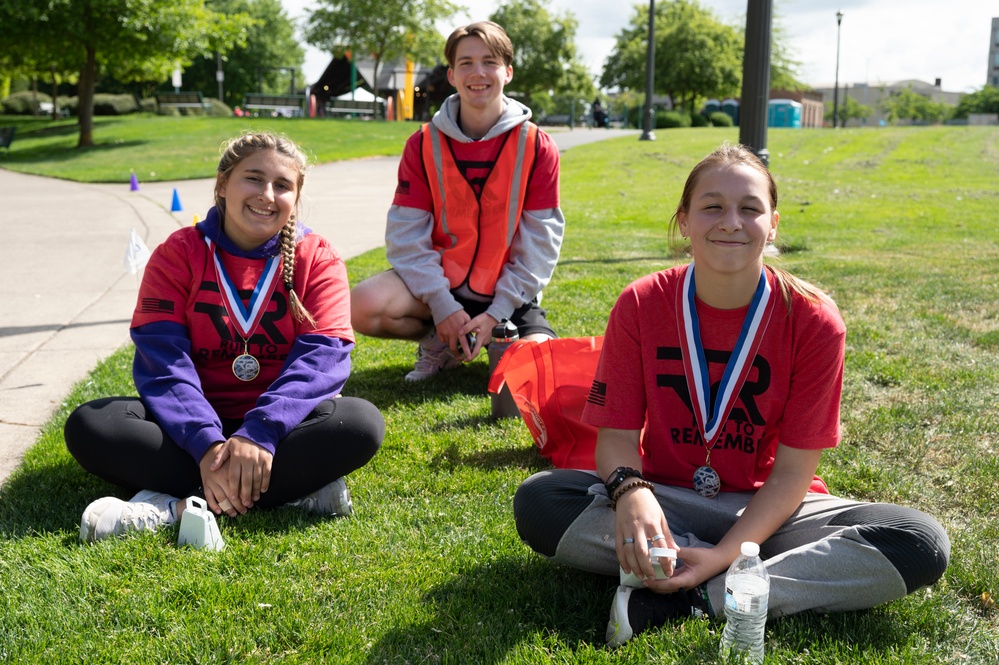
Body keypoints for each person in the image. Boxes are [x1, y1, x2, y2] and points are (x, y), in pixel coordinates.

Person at [513, 143, 950, 646]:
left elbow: (792, 474)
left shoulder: (813, 320)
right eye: (713, 206)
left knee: (919, 541)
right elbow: (615, 438)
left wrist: (726, 554)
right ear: (684, 221)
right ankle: (737, 581)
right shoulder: (641, 302)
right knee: (541, 499)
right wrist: (631, 492)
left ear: (774, 223)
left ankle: (692, 595)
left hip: (772, 511)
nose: (731, 222)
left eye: (750, 208)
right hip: (666, 501)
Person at [65, 131, 385, 542]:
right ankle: (288, 492)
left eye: (282, 186)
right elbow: (163, 360)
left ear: (296, 195)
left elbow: (324, 357)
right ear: (222, 184)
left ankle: (171, 507)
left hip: (281, 429)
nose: (266, 195)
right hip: (189, 429)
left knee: (360, 424)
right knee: (92, 424)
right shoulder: (177, 253)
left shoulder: (317, 257)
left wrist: (260, 433)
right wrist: (207, 444)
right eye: (253, 178)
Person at [350, 20, 564, 382]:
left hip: (508, 296)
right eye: (466, 63)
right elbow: (406, 236)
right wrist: (443, 305)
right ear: (451, 74)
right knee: (362, 304)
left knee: (539, 363)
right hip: (441, 289)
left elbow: (541, 243)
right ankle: (440, 338)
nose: (477, 73)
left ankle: (496, 335)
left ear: (507, 72)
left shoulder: (537, 146)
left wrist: (498, 313)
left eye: (490, 62)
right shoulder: (422, 144)